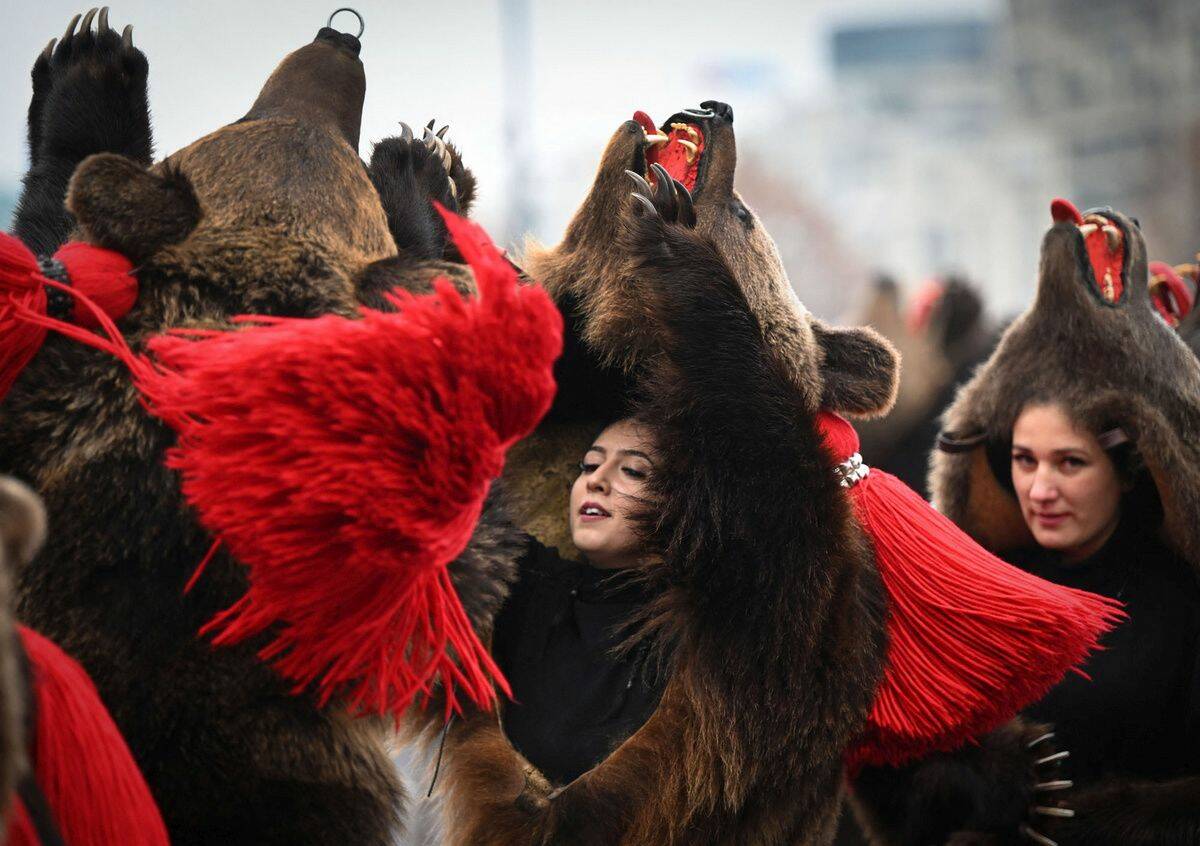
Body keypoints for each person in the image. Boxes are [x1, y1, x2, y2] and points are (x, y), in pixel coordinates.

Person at [491, 418, 670, 785]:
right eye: (589, 465)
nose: (596, 480)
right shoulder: (531, 586)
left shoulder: (707, 633)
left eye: (634, 471)